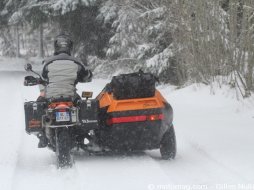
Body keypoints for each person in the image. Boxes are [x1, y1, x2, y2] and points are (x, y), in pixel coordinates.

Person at [37, 33, 92, 148]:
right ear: (70, 47)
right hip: (70, 95)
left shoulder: (48, 63)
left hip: (51, 96)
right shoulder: (76, 62)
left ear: (56, 47)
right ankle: (81, 134)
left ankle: (42, 136)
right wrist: (87, 76)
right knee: (81, 108)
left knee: (38, 107)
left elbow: (42, 78)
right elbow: (85, 77)